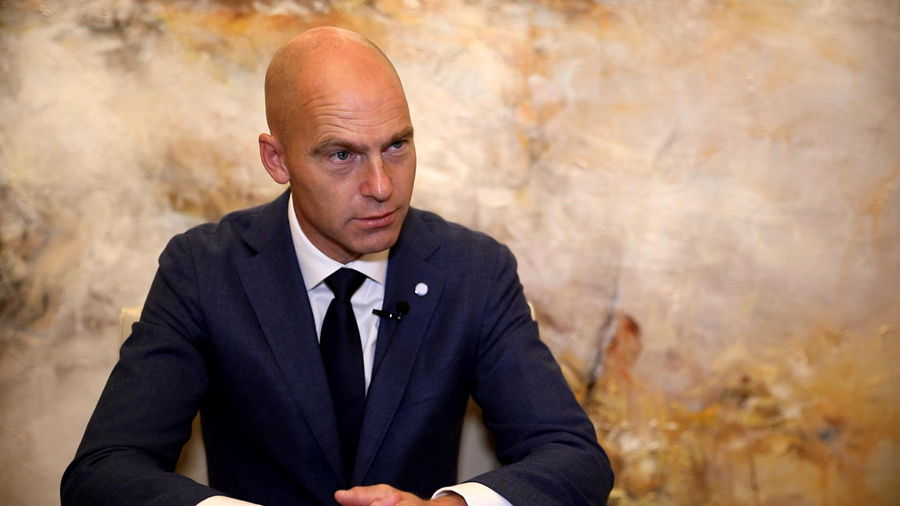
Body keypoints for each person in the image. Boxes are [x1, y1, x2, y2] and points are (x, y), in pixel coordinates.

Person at [61, 27, 614, 506]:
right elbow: (104, 471)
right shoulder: (204, 270)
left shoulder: (474, 270)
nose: (381, 186)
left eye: (396, 145)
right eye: (342, 155)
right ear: (277, 159)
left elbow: (573, 458)